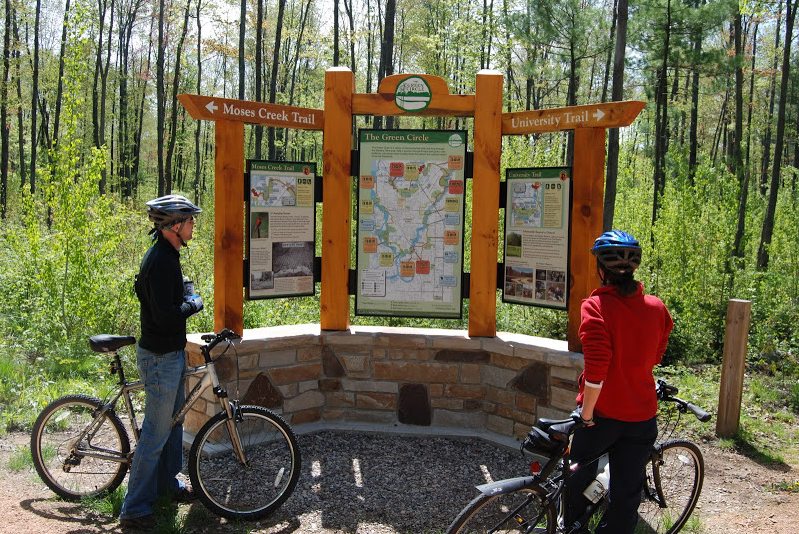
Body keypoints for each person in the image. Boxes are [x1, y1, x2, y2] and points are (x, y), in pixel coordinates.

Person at [565, 230, 674, 534]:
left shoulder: (596, 307)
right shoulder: (656, 307)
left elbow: (597, 369)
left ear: (602, 269)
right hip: (642, 418)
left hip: (601, 418)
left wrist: (586, 415)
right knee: (626, 497)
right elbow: (656, 355)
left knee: (577, 481)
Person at [119, 195, 204, 530]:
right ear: (174, 226)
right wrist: (193, 303)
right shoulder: (161, 261)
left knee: (174, 424)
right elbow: (165, 316)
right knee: (155, 433)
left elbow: (168, 299)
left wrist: (185, 294)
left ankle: (167, 484)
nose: (194, 225)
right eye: (190, 221)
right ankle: (134, 508)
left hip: (171, 353)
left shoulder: (169, 255)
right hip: (160, 358)